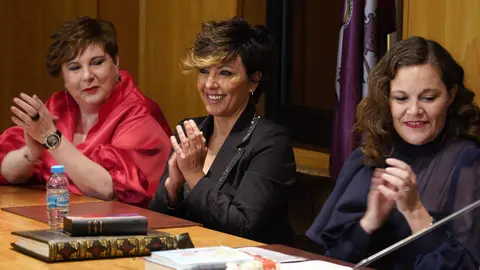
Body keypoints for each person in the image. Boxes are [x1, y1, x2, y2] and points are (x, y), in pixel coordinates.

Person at [306, 36, 480, 269]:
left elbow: (466, 265)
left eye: (428, 98)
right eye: (401, 98)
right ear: (387, 98)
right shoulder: (370, 156)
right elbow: (330, 259)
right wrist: (370, 222)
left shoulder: (469, 162)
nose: (414, 110)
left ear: (450, 94)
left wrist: (415, 211)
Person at [149, 17, 296, 244]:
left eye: (225, 73)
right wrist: (173, 188)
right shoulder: (191, 129)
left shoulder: (271, 142)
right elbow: (157, 223)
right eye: (204, 70)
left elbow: (244, 229)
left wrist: (195, 175)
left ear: (253, 81)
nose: (210, 84)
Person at [0, 16, 172, 208]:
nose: (87, 76)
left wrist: (51, 138)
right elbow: (6, 171)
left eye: (97, 62)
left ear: (116, 62)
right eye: (74, 68)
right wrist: (31, 153)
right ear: (63, 76)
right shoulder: (59, 106)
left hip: (125, 230)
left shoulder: (140, 113)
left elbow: (108, 190)